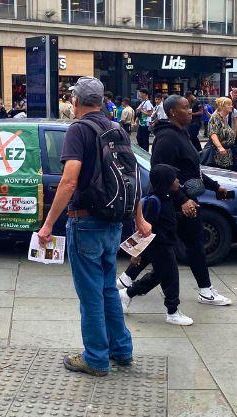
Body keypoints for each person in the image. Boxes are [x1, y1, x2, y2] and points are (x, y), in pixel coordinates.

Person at [37, 76, 151, 377]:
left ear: (75, 101)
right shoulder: (116, 128)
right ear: (101, 101)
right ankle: (121, 350)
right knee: (108, 291)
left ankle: (96, 359)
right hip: (113, 223)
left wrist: (48, 224)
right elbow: (132, 177)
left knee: (90, 296)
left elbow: (70, 179)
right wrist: (138, 218)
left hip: (85, 221)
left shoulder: (78, 130)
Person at [118, 95, 232, 307]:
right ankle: (202, 292)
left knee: (166, 246)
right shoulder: (167, 138)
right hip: (173, 204)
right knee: (180, 249)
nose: (191, 111)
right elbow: (162, 173)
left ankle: (126, 281)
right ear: (172, 112)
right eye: (186, 108)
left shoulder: (182, 134)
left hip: (183, 202)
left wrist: (216, 187)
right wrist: (182, 200)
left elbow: (192, 170)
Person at [118, 165, 193, 326]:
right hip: (160, 247)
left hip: (166, 244)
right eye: (174, 178)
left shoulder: (167, 197)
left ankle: (127, 293)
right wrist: (136, 253)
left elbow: (168, 219)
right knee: (171, 278)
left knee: (159, 275)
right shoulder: (154, 201)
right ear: (166, 181)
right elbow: (144, 229)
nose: (178, 181)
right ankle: (172, 312)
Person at [206, 97, 237, 171]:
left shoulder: (223, 118)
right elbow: (213, 133)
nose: (231, 106)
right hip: (219, 154)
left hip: (227, 152)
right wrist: (220, 147)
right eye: (228, 104)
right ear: (221, 106)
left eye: (231, 104)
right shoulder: (215, 117)